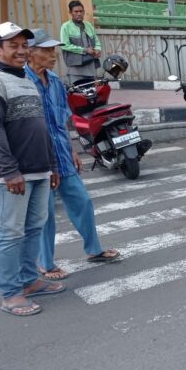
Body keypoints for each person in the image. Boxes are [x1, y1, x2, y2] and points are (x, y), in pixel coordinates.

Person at [0, 22, 62, 316]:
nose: (21, 51)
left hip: (39, 169)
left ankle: (28, 282)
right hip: (12, 174)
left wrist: (52, 165)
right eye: (12, 46)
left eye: (24, 45)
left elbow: (43, 128)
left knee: (33, 228)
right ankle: (10, 292)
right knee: (10, 232)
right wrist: (10, 171)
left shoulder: (27, 80)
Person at [25, 29, 120, 281]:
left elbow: (61, 122)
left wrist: (72, 150)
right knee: (44, 213)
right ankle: (45, 263)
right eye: (46, 50)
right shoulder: (22, 82)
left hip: (61, 154)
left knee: (82, 202)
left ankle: (94, 249)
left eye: (52, 49)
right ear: (30, 52)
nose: (52, 54)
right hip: (38, 158)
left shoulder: (55, 81)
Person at [60, 0, 102, 85]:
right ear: (70, 12)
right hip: (75, 69)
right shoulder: (66, 26)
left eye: (81, 11)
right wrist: (85, 50)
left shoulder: (89, 25)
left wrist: (98, 49)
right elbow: (65, 46)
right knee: (77, 95)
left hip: (91, 67)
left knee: (92, 94)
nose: (79, 14)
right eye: (76, 11)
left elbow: (97, 41)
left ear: (84, 12)